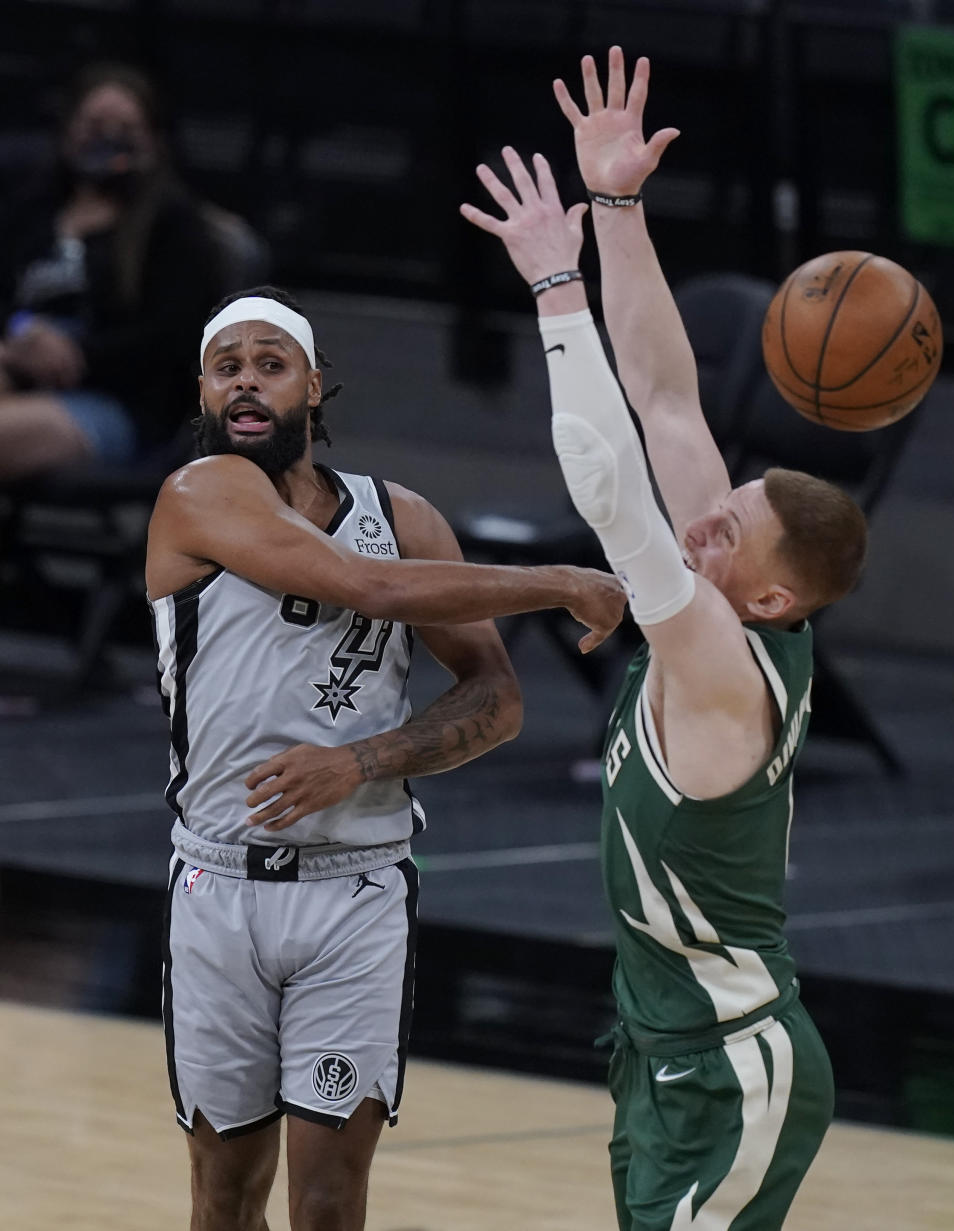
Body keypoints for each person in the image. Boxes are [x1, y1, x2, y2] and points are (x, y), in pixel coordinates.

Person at [460, 47, 868, 1231]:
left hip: (734, 1070)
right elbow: (666, 398)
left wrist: (555, 288)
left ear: (774, 600)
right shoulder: (727, 590)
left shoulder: (716, 658)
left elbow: (608, 488)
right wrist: (618, 207)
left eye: (729, 524)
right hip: (666, 1052)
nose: (707, 517)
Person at [145, 284, 626, 1231]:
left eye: (270, 364)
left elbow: (496, 701)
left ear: (315, 386)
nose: (246, 381)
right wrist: (562, 580)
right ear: (201, 392)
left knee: (329, 1202)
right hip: (217, 888)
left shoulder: (401, 517)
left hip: (356, 892)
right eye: (225, 366)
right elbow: (362, 584)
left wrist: (359, 760)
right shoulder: (197, 493)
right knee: (224, 1193)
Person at [0, 63, 222, 480]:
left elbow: (169, 337)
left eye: (124, 127)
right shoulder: (34, 207)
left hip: (114, 400)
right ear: (69, 130)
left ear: (153, 142)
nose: (107, 137)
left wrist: (72, 357)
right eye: (95, 123)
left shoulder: (173, 226)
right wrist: (21, 331)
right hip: (20, 368)